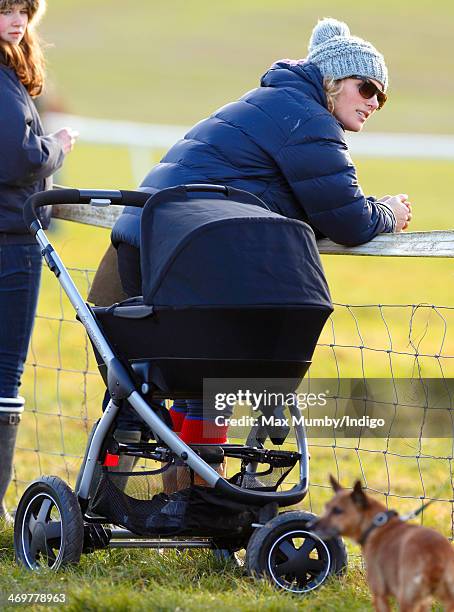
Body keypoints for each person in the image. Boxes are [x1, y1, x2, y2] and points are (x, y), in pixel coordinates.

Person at [107, 17, 412, 455]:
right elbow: (351, 222)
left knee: (177, 382)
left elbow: (310, 201)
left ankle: (161, 492)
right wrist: (390, 212)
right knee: (215, 378)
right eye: (367, 88)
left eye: (381, 98)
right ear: (334, 80)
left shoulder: (270, 103)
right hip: (189, 249)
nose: (373, 102)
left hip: (150, 241)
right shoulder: (308, 120)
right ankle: (199, 495)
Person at [0, 0, 78, 522]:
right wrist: (58, 145)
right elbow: (19, 157)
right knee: (6, 375)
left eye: (24, 10)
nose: (17, 20)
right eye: (5, 9)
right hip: (10, 240)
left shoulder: (11, 73)